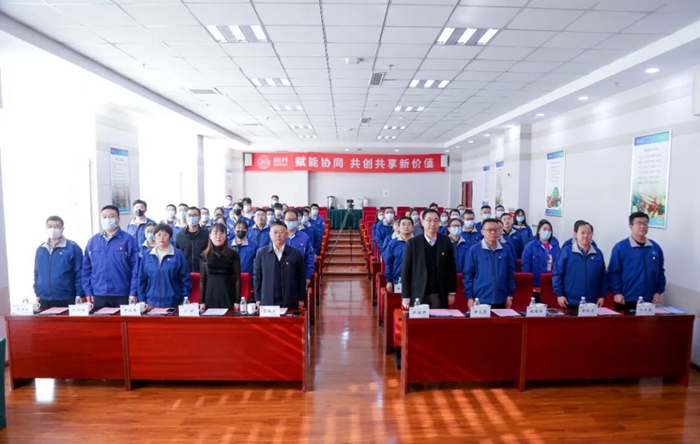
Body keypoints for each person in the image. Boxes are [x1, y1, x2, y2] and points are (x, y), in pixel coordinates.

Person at [82, 205, 139, 308]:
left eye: (111, 216)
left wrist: (133, 292)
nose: (107, 219)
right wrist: (88, 291)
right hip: (98, 294)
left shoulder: (129, 240)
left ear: (118, 219)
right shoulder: (93, 241)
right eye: (104, 217)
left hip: (123, 293)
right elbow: (86, 269)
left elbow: (136, 268)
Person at [607, 212, 666, 310]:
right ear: (630, 226)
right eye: (639, 223)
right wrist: (617, 292)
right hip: (626, 298)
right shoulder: (621, 247)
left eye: (645, 223)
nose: (642, 226)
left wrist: (658, 291)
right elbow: (613, 273)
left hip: (649, 299)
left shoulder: (655, 248)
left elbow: (660, 272)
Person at [401, 209, 456, 309]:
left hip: (439, 293)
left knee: (440, 318)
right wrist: (406, 296)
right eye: (429, 220)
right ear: (422, 222)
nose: (432, 224)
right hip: (418, 293)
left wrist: (451, 292)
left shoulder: (446, 241)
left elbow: (451, 268)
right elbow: (406, 270)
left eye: (436, 220)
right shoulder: (413, 243)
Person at [463, 218, 515, 309]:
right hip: (480, 298)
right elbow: (468, 274)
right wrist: (470, 297)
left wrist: (510, 295)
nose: (493, 232)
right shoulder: (474, 250)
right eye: (489, 230)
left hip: (501, 298)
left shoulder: (506, 250)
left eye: (495, 229)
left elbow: (510, 274)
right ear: (482, 232)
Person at [553, 221, 606, 308]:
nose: (586, 236)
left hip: (591, 302)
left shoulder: (598, 254)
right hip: (569, 301)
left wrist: (602, 295)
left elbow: (603, 277)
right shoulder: (566, 252)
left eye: (589, 233)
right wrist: (559, 294)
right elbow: (557, 274)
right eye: (582, 233)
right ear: (575, 234)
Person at [34, 215, 83, 309]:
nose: (52, 229)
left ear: (62, 229)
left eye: (56, 226)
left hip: (66, 298)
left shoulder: (72, 247)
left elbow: (79, 272)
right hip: (44, 298)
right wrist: (37, 293)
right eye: (50, 226)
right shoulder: (41, 249)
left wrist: (79, 294)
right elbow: (37, 273)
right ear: (45, 228)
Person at [254, 221, 306, 309]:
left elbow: (301, 277)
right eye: (275, 232)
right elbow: (257, 277)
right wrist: (257, 298)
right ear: (270, 235)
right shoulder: (261, 253)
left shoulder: (295, 254)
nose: (278, 235)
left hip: (290, 299)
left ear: (287, 234)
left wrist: (301, 298)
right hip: (268, 299)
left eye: (282, 232)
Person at [138, 223, 191, 308]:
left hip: (173, 301)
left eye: (165, 235)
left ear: (170, 237)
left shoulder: (178, 254)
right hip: (151, 302)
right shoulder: (147, 255)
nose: (162, 238)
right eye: (159, 235)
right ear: (154, 237)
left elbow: (185, 279)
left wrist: (184, 298)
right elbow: (142, 279)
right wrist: (142, 299)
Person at [199, 223, 242, 310]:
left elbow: (238, 278)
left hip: (228, 294)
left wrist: (237, 300)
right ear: (210, 236)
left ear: (226, 236)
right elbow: (202, 279)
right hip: (210, 294)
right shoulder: (204, 255)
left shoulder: (233, 254)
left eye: (222, 233)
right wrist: (201, 301)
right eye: (215, 233)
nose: (218, 236)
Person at [522, 219, 560, 289]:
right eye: (544, 229)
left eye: (549, 230)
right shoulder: (530, 246)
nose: (547, 232)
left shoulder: (555, 246)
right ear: (539, 231)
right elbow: (526, 265)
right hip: (536, 283)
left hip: (552, 283)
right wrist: (528, 282)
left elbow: (559, 264)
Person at [283, 209, 315, 287]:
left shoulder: (304, 237)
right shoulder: (278, 236)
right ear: (284, 220)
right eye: (288, 220)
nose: (290, 222)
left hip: (298, 274)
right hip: (281, 274)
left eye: (293, 220)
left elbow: (309, 257)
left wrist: (308, 276)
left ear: (297, 221)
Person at [175, 206, 209, 273]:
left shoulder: (206, 234)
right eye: (189, 215)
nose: (192, 217)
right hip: (184, 272)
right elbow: (176, 255)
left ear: (199, 217)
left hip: (203, 272)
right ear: (186, 217)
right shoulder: (179, 236)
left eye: (194, 215)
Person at [384, 217, 413, 292]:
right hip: (398, 279)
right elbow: (389, 263)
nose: (406, 226)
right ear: (399, 228)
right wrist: (389, 281)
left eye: (409, 224)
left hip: (416, 279)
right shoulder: (392, 243)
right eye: (403, 224)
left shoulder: (418, 243)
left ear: (413, 228)